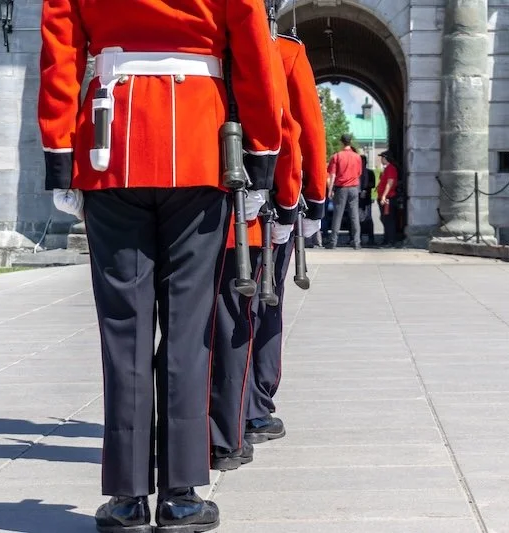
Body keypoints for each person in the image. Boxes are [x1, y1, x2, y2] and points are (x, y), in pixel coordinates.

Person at [38, 0, 282, 531]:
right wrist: (263, 153)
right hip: (198, 142)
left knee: (123, 331)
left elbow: (60, 50)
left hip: (111, 141)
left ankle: (127, 497)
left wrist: (59, 155)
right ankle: (181, 495)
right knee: (188, 331)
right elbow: (253, 52)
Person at [209, 23, 302, 471]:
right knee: (244, 317)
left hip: (182, 197)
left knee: (187, 325)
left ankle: (184, 436)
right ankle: (241, 419)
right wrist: (289, 202)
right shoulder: (275, 50)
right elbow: (287, 129)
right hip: (246, 213)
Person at [243, 26, 329, 445]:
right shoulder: (284, 52)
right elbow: (304, 130)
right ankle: (255, 406)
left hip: (207, 196)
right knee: (265, 304)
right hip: (272, 203)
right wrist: (311, 200)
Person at [326, 134, 363, 249]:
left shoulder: (337, 156)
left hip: (341, 188)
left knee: (338, 215)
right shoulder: (357, 157)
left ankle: (333, 242)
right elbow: (359, 173)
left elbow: (332, 175)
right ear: (350, 142)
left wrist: (330, 190)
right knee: (354, 215)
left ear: (341, 142)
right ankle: (357, 242)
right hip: (354, 188)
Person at [377, 150, 400, 247]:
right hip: (385, 197)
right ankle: (387, 239)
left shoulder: (391, 168)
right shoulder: (387, 168)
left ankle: (390, 240)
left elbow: (390, 183)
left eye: (382, 157)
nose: (381, 159)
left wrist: (384, 195)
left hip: (388, 198)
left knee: (389, 220)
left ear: (386, 158)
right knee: (385, 219)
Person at [358, 153, 376, 247]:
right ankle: (357, 237)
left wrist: (365, 189)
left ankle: (371, 238)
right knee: (357, 218)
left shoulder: (370, 172)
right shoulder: (357, 172)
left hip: (367, 198)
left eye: (363, 161)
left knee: (368, 218)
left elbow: (373, 184)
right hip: (358, 198)